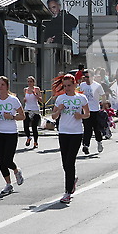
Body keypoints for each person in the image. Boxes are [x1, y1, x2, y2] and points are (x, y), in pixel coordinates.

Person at [51, 74, 90, 203]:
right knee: (65, 163)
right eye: (65, 86)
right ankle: (72, 180)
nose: (67, 88)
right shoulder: (60, 98)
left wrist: (81, 116)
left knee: (70, 161)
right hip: (63, 132)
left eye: (69, 85)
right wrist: (59, 111)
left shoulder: (81, 98)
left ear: (75, 85)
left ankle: (67, 192)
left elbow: (88, 114)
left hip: (76, 133)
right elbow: (53, 117)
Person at [0, 76, 26, 195]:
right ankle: (8, 184)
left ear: (7, 86)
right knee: (0, 160)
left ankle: (16, 171)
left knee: (7, 160)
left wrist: (12, 117)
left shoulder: (13, 100)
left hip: (11, 133)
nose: (0, 87)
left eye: (2, 85)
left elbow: (23, 116)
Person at [79, 70, 105, 155]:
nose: (86, 79)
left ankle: (99, 142)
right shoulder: (82, 85)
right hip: (86, 110)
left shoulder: (97, 86)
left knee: (96, 129)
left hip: (95, 110)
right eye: (85, 77)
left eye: (88, 77)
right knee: (87, 129)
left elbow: (103, 95)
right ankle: (86, 145)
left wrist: (104, 106)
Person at [23, 76, 42, 149]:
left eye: (31, 81)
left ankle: (35, 142)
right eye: (28, 81)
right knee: (26, 126)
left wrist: (36, 95)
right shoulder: (25, 90)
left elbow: (40, 100)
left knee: (34, 127)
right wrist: (24, 99)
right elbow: (25, 98)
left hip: (35, 110)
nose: (29, 83)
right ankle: (28, 137)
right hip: (27, 109)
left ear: (34, 82)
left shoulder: (36, 89)